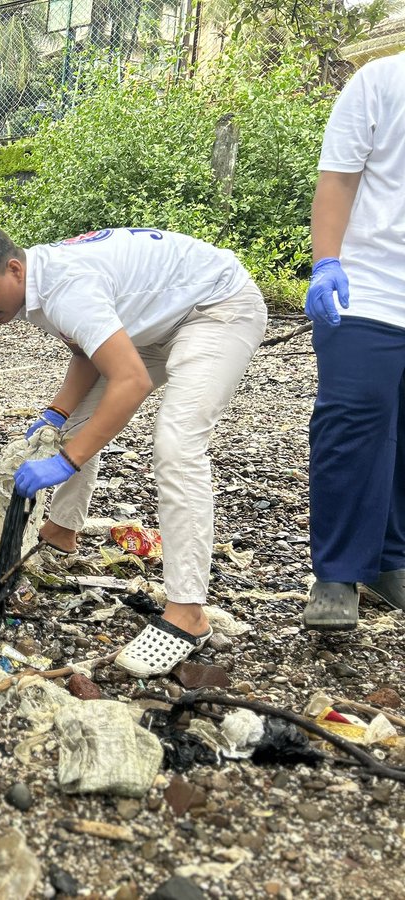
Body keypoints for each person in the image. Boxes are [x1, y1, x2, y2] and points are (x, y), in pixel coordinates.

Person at [0, 225, 266, 677]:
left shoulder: (64, 288)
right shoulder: (34, 286)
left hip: (215, 308)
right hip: (154, 323)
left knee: (177, 443)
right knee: (79, 425)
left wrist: (67, 461)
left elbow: (130, 381)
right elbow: (88, 351)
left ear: (14, 269)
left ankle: (188, 613)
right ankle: (60, 531)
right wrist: (59, 412)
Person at [303, 52, 405, 630]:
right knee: (351, 421)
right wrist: (327, 263)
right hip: (369, 285)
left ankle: (393, 561)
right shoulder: (379, 82)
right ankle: (338, 573)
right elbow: (339, 178)